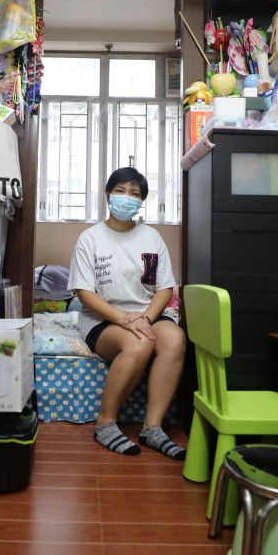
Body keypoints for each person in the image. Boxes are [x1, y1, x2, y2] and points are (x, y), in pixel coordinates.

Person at [67, 167, 187, 458]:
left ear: (141, 201)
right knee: (139, 342)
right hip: (103, 318)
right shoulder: (90, 238)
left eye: (135, 193)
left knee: (174, 340)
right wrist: (122, 319)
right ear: (107, 194)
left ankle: (153, 427)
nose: (126, 198)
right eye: (120, 190)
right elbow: (83, 293)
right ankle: (105, 423)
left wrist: (145, 317)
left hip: (146, 314)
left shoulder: (152, 237)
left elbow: (164, 288)